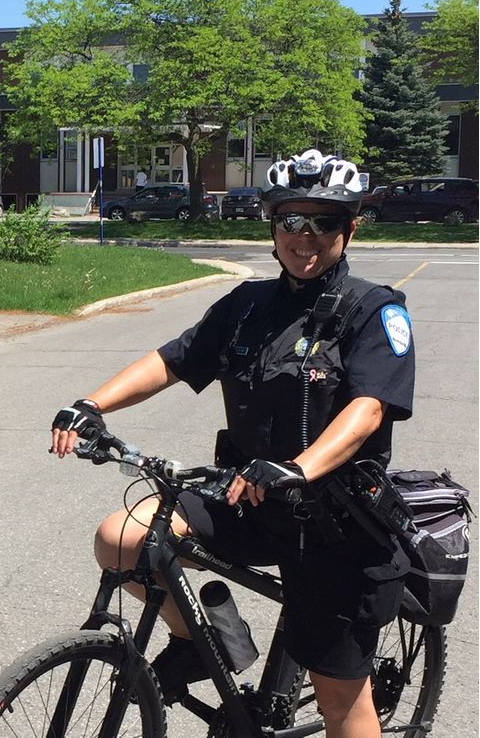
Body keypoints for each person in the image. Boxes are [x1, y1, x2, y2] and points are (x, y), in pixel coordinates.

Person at [52, 149, 414, 738]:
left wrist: (298, 467)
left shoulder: (373, 311)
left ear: (351, 227)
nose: (304, 236)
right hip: (248, 498)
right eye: (291, 220)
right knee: (123, 538)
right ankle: (205, 644)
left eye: (322, 221)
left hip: (335, 524)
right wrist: (92, 404)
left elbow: (368, 409)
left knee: (339, 701)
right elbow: (172, 360)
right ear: (272, 226)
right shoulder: (247, 306)